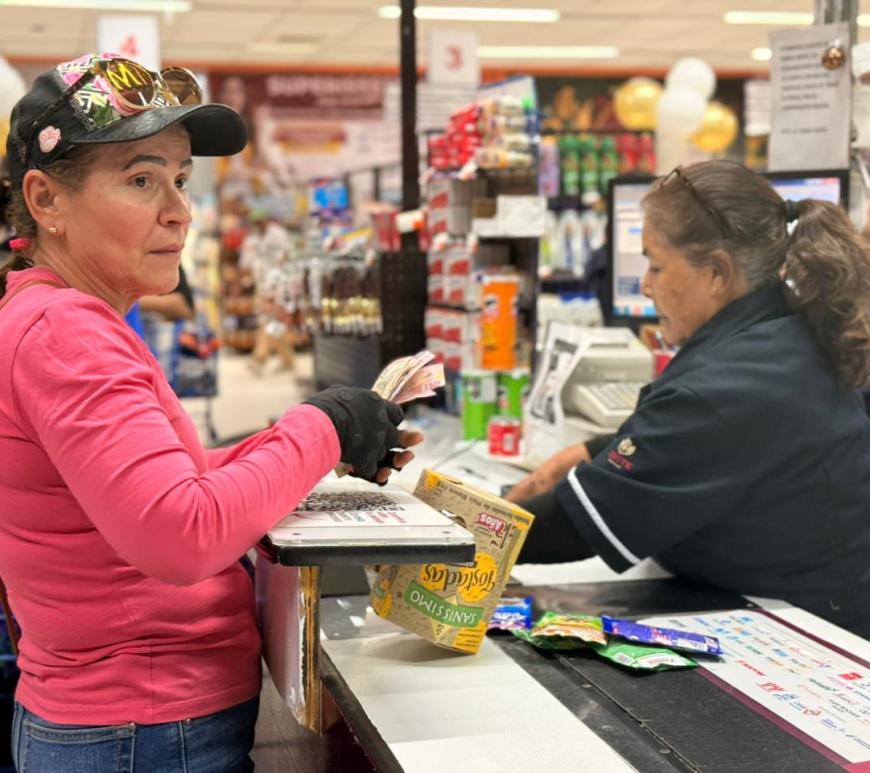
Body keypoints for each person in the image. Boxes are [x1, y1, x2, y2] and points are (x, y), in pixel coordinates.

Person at [0, 53, 420, 772]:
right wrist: (321, 427)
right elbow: (180, 532)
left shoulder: (50, 317)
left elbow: (162, 483)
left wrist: (301, 449)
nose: (179, 210)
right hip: (141, 730)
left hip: (129, 726)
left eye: (181, 179)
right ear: (46, 200)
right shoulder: (67, 332)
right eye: (141, 179)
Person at [513, 160, 870, 639]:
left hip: (806, 636)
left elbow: (574, 528)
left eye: (656, 265)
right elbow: (698, 445)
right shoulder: (776, 332)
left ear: (718, 273)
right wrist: (592, 450)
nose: (645, 284)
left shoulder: (730, 384)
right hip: (790, 606)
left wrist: (456, 534)